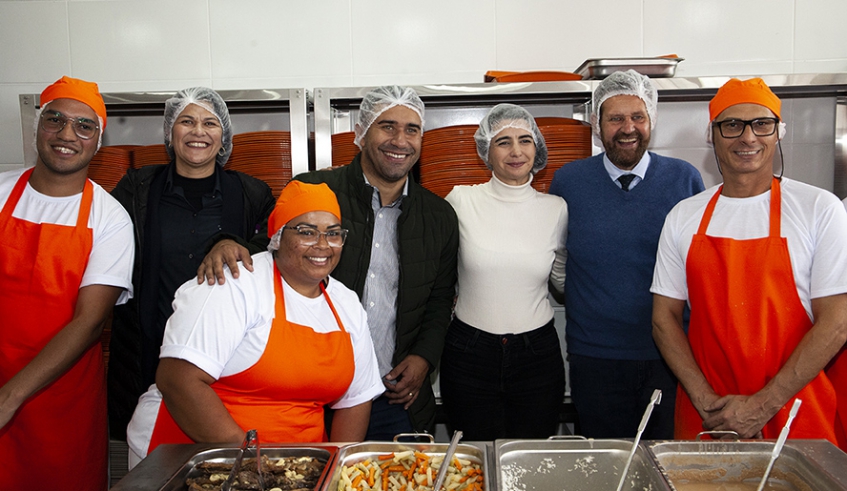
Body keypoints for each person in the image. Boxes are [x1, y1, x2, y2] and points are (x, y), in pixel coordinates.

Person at [126, 180, 383, 467]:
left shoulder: (346, 304)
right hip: (190, 455)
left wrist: (337, 467)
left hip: (296, 465)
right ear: (278, 237)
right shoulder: (235, 283)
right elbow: (179, 381)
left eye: (333, 233)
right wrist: (255, 464)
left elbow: (356, 400)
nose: (322, 245)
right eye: (306, 232)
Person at [651, 77, 847, 449]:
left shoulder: (819, 209)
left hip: (794, 412)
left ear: (778, 132)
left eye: (761, 123)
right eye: (732, 125)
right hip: (710, 417)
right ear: (712, 135)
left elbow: (837, 323)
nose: (748, 137)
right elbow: (664, 319)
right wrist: (706, 401)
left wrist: (762, 406)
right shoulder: (684, 216)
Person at [108, 87, 275, 440]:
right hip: (146, 352)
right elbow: (105, 245)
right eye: (187, 121)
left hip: (225, 359)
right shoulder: (137, 189)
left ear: (224, 136)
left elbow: (273, 249)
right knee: (153, 453)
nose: (198, 131)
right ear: (170, 131)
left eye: (210, 123)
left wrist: (234, 243)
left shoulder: (252, 194)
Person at [294, 86, 459, 439]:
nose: (400, 140)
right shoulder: (314, 192)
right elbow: (269, 259)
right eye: (387, 126)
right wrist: (227, 243)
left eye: (412, 129)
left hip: (394, 398)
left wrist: (424, 358)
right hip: (315, 395)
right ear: (362, 133)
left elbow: (440, 299)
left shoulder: (439, 216)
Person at [548, 70, 704, 439]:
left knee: (664, 458)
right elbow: (557, 258)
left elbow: (699, 266)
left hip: (669, 355)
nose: (627, 128)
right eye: (615, 118)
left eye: (637, 117)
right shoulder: (569, 181)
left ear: (652, 120)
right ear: (596, 124)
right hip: (594, 357)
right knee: (604, 460)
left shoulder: (684, 179)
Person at [0, 76, 134, 490]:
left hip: (61, 399)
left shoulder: (110, 219)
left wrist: (10, 396)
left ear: (98, 141)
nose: (67, 135)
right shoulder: (1, 193)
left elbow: (89, 323)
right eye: (55, 120)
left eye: (84, 126)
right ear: (38, 126)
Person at [439, 104, 568, 440]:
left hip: (536, 355)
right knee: (473, 456)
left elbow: (563, 280)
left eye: (525, 140)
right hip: (469, 353)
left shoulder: (555, 209)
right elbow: (437, 272)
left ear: (537, 148)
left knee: (530, 457)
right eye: (503, 141)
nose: (516, 151)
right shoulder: (461, 201)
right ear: (487, 151)